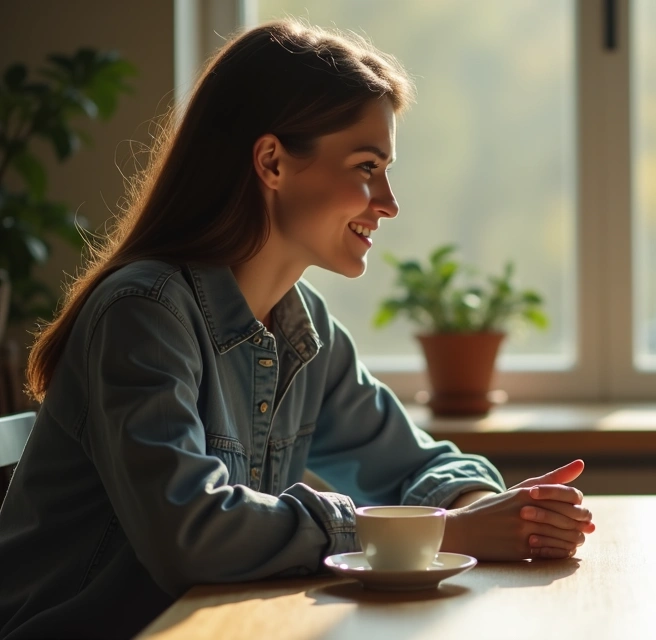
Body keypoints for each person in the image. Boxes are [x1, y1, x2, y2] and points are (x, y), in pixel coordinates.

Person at [0, 20, 594, 639]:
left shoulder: (302, 325)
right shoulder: (142, 314)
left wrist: (488, 510)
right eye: (367, 166)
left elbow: (411, 463)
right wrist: (443, 534)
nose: (388, 202)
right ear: (272, 162)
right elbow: (190, 531)